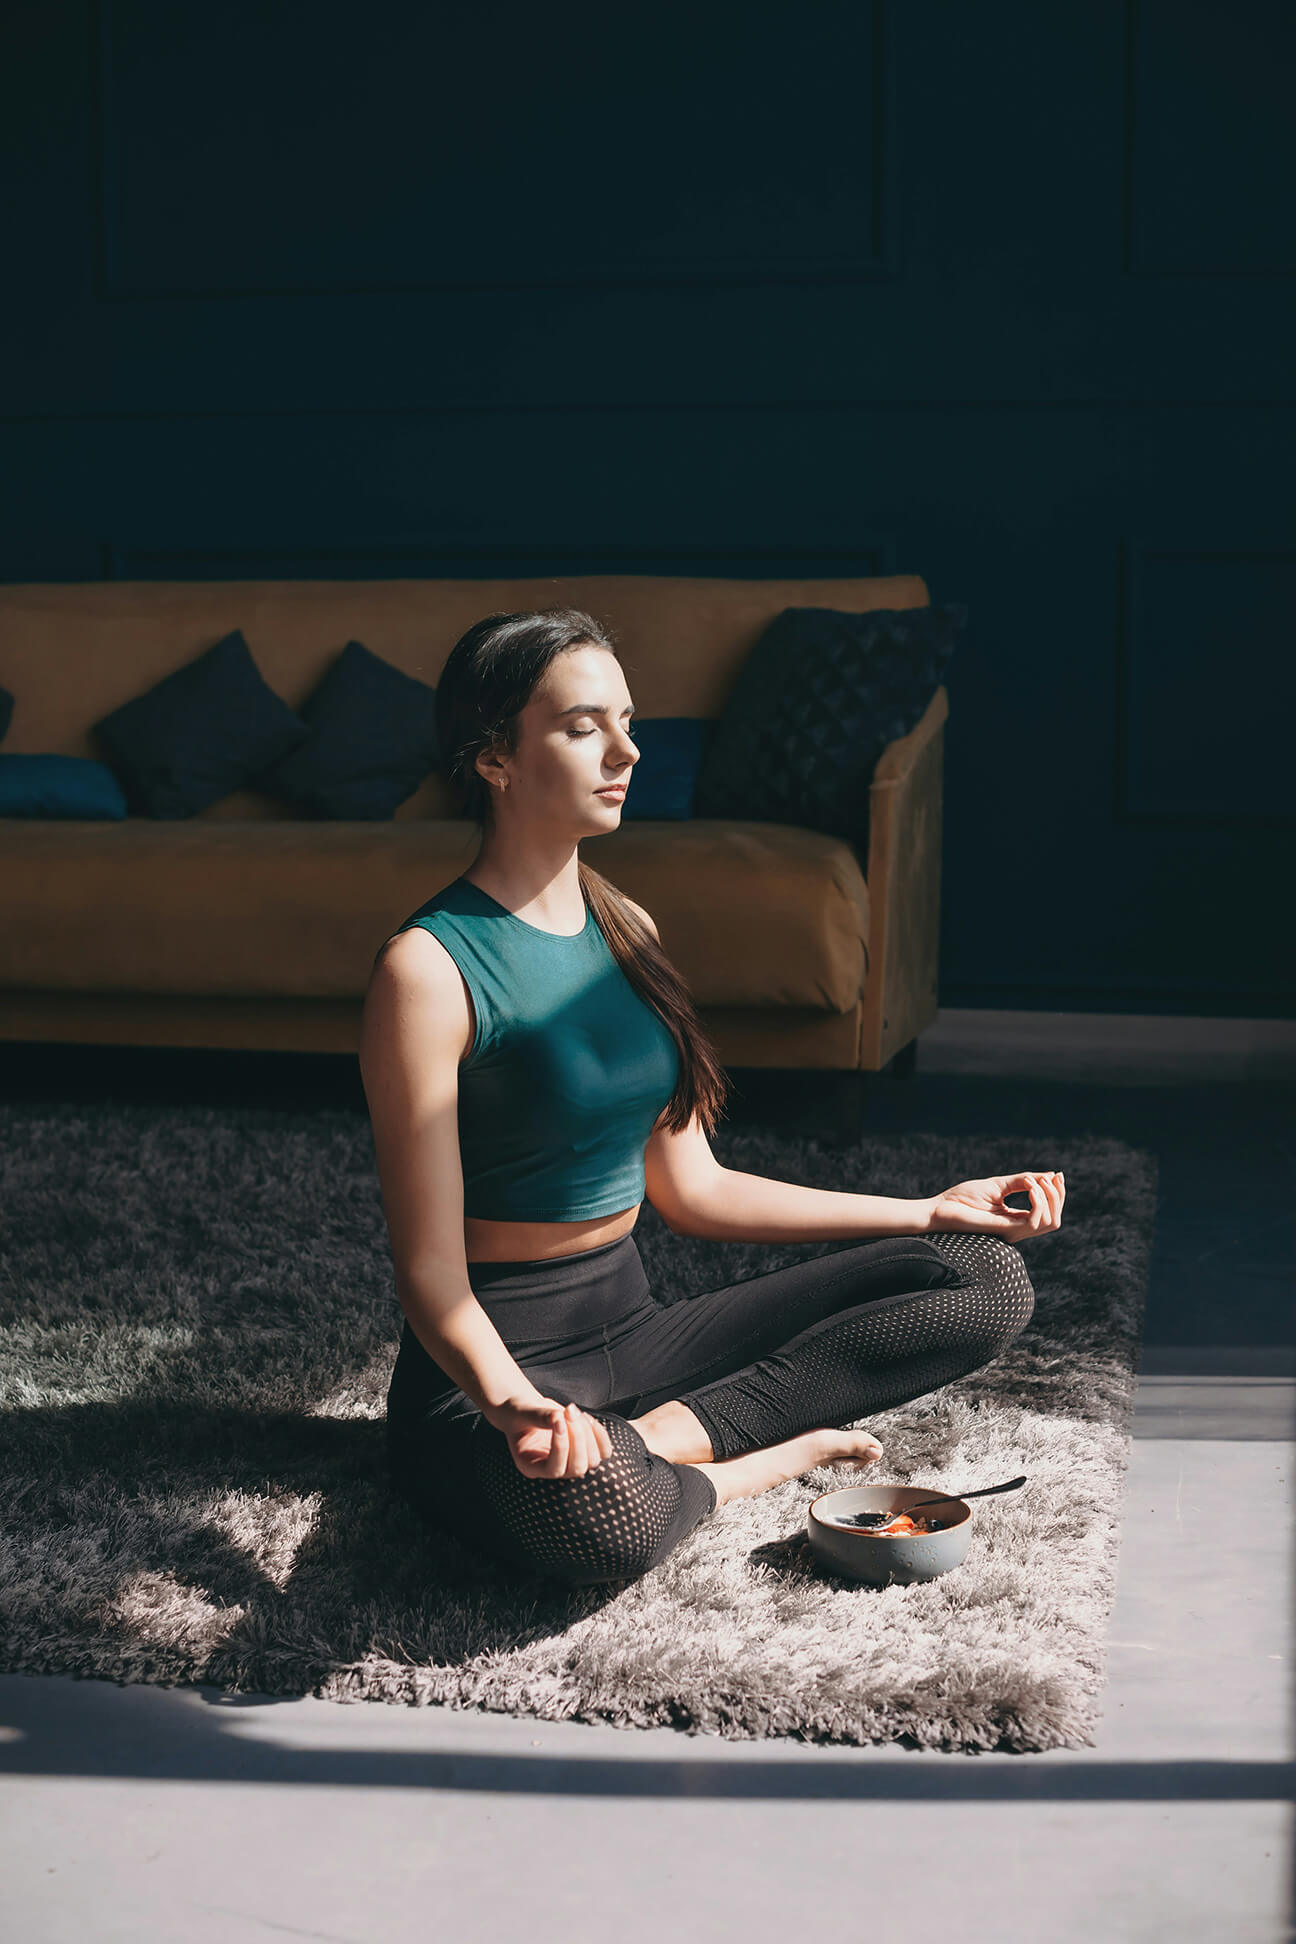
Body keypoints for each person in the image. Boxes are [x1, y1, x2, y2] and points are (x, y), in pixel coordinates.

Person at [361, 606, 1063, 1588]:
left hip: (636, 1332)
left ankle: (657, 1441)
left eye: (627, 720)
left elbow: (693, 1189)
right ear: (494, 760)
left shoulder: (630, 927)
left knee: (981, 1279)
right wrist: (516, 1407)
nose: (626, 750)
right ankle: (737, 1468)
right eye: (581, 727)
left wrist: (927, 1208)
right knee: (601, 1519)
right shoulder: (428, 969)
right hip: (493, 1375)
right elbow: (430, 1277)